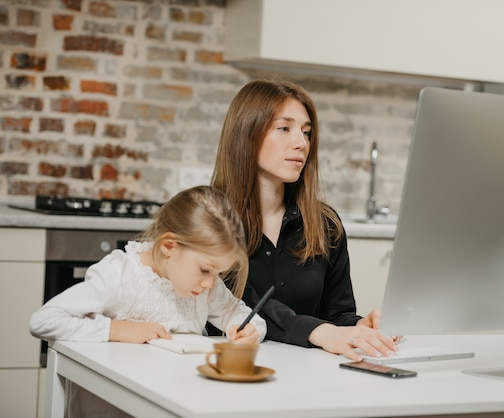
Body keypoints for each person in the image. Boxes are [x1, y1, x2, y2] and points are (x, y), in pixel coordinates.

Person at [30, 185, 266, 417]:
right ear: (169, 246)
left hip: (170, 403)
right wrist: (115, 329)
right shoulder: (120, 276)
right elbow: (44, 320)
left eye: (218, 274)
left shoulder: (206, 288)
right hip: (106, 407)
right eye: (205, 270)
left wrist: (248, 330)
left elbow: (245, 317)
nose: (211, 283)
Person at [210, 79, 398, 361]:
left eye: (306, 132)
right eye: (284, 128)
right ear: (246, 134)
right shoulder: (209, 219)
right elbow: (240, 307)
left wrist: (359, 327)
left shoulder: (325, 224)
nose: (301, 143)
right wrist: (321, 332)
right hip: (231, 370)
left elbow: (335, 315)